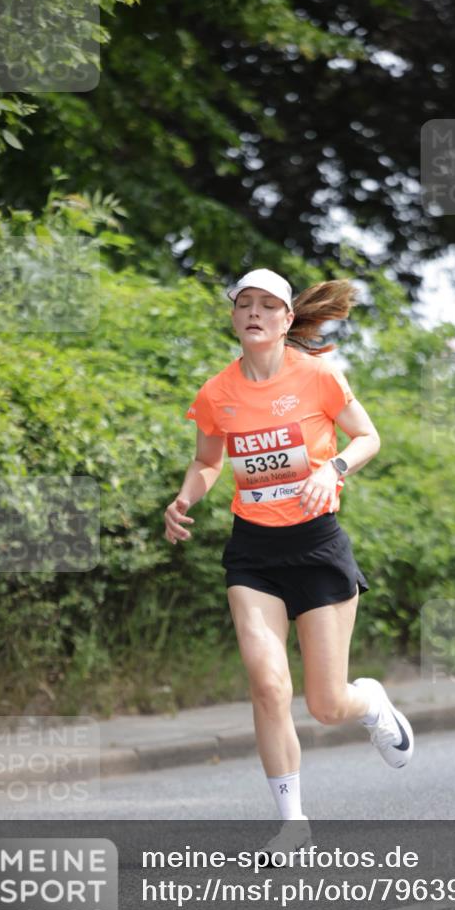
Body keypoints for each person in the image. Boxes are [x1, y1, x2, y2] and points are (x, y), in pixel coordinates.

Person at [164, 268, 413, 860]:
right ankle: (292, 822)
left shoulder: (319, 375)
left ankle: (372, 703)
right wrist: (183, 499)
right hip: (253, 553)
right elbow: (207, 461)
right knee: (268, 685)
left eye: (266, 306)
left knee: (327, 706)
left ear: (285, 320)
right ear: (234, 318)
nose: (253, 313)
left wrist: (334, 469)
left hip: (317, 548)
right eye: (243, 304)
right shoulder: (216, 392)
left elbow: (368, 437)